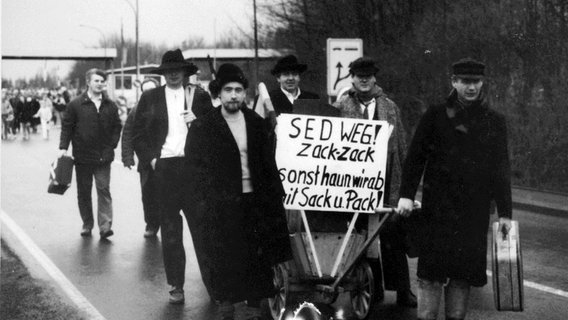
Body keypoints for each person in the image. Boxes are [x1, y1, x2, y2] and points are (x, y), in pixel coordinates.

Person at [396, 58, 513, 320]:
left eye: (476, 82)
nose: (471, 87)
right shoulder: (435, 115)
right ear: (454, 82)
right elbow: (416, 157)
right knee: (430, 273)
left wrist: (505, 212)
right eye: (465, 81)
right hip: (438, 207)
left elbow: (501, 169)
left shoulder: (494, 121)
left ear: (482, 83)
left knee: (463, 275)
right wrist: (406, 195)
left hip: (474, 210)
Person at [185, 63, 292, 320]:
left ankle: (254, 308)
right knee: (224, 255)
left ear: (245, 93)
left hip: (254, 200)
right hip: (220, 204)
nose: (234, 95)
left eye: (239, 90)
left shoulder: (257, 124)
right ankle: (226, 307)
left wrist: (275, 197)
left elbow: (268, 164)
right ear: (218, 94)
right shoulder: (204, 127)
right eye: (228, 90)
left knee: (257, 255)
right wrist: (203, 203)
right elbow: (194, 170)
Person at [132, 49, 214, 304]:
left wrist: (199, 120)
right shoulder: (150, 97)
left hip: (193, 169)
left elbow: (215, 131)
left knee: (203, 230)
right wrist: (153, 159)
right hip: (165, 169)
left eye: (178, 70)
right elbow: (138, 135)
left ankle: (215, 287)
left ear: (186, 72)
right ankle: (176, 285)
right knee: (170, 231)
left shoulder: (199, 96)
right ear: (164, 73)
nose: (174, 74)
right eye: (169, 71)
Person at [334, 57, 417, 307]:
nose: (364, 79)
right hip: (355, 184)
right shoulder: (341, 106)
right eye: (359, 75)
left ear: (374, 78)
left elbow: (402, 147)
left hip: (387, 182)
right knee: (362, 237)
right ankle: (373, 289)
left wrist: (408, 188)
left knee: (392, 235)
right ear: (352, 78)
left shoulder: (390, 107)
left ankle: (403, 290)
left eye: (368, 75)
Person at [59, 68, 122, 239]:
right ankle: (87, 223)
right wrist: (63, 148)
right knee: (84, 192)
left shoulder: (110, 105)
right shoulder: (75, 105)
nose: (100, 84)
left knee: (103, 189)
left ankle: (105, 226)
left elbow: (117, 126)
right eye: (97, 81)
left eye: (103, 81)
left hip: (103, 157)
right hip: (83, 157)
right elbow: (67, 127)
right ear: (88, 82)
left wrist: (112, 145)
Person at [121, 77, 160, 238]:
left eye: (152, 90)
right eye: (145, 91)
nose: (148, 94)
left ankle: (167, 224)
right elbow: (128, 133)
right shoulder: (136, 110)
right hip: (146, 161)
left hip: (167, 158)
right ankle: (151, 224)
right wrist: (127, 157)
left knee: (167, 194)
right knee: (148, 194)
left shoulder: (167, 107)